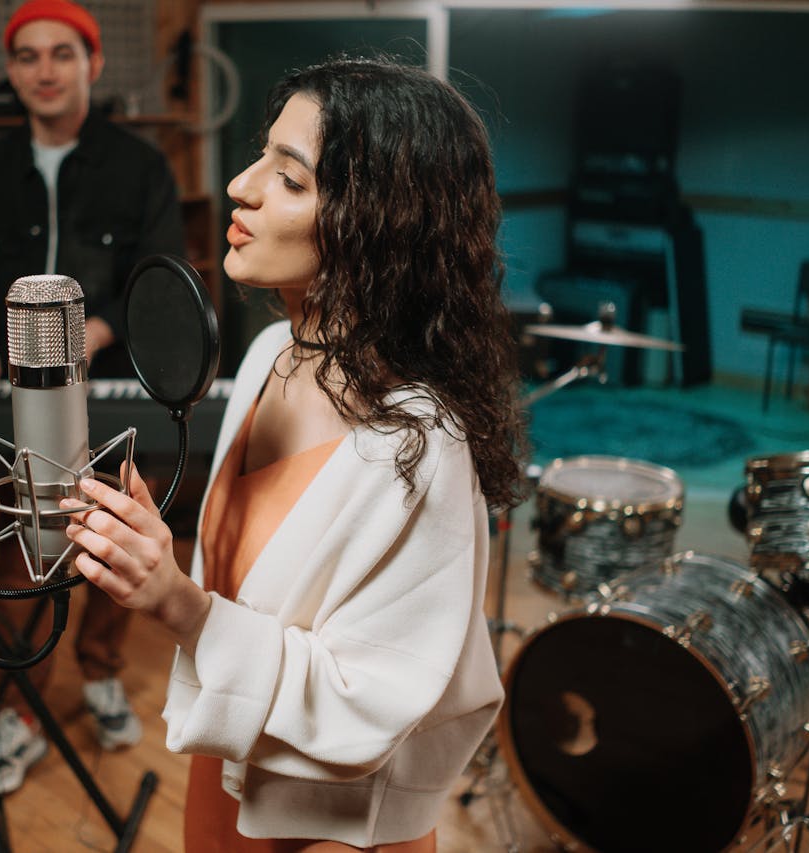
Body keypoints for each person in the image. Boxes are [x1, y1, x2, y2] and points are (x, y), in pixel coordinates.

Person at [63, 56, 527, 851]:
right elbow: (245, 590)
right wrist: (161, 555)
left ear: (377, 220)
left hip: (332, 825)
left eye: (289, 179)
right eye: (260, 158)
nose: (241, 187)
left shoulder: (420, 444)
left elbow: (372, 698)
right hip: (234, 759)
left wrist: (177, 600)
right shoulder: (268, 356)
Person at [0, 0, 185, 793]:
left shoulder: (141, 168)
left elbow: (157, 277)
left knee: (104, 534)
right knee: (11, 550)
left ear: (92, 63)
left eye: (61, 54)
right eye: (28, 56)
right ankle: (22, 706)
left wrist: (91, 334)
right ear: (12, 71)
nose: (44, 70)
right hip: (9, 393)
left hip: (99, 379)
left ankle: (101, 669)